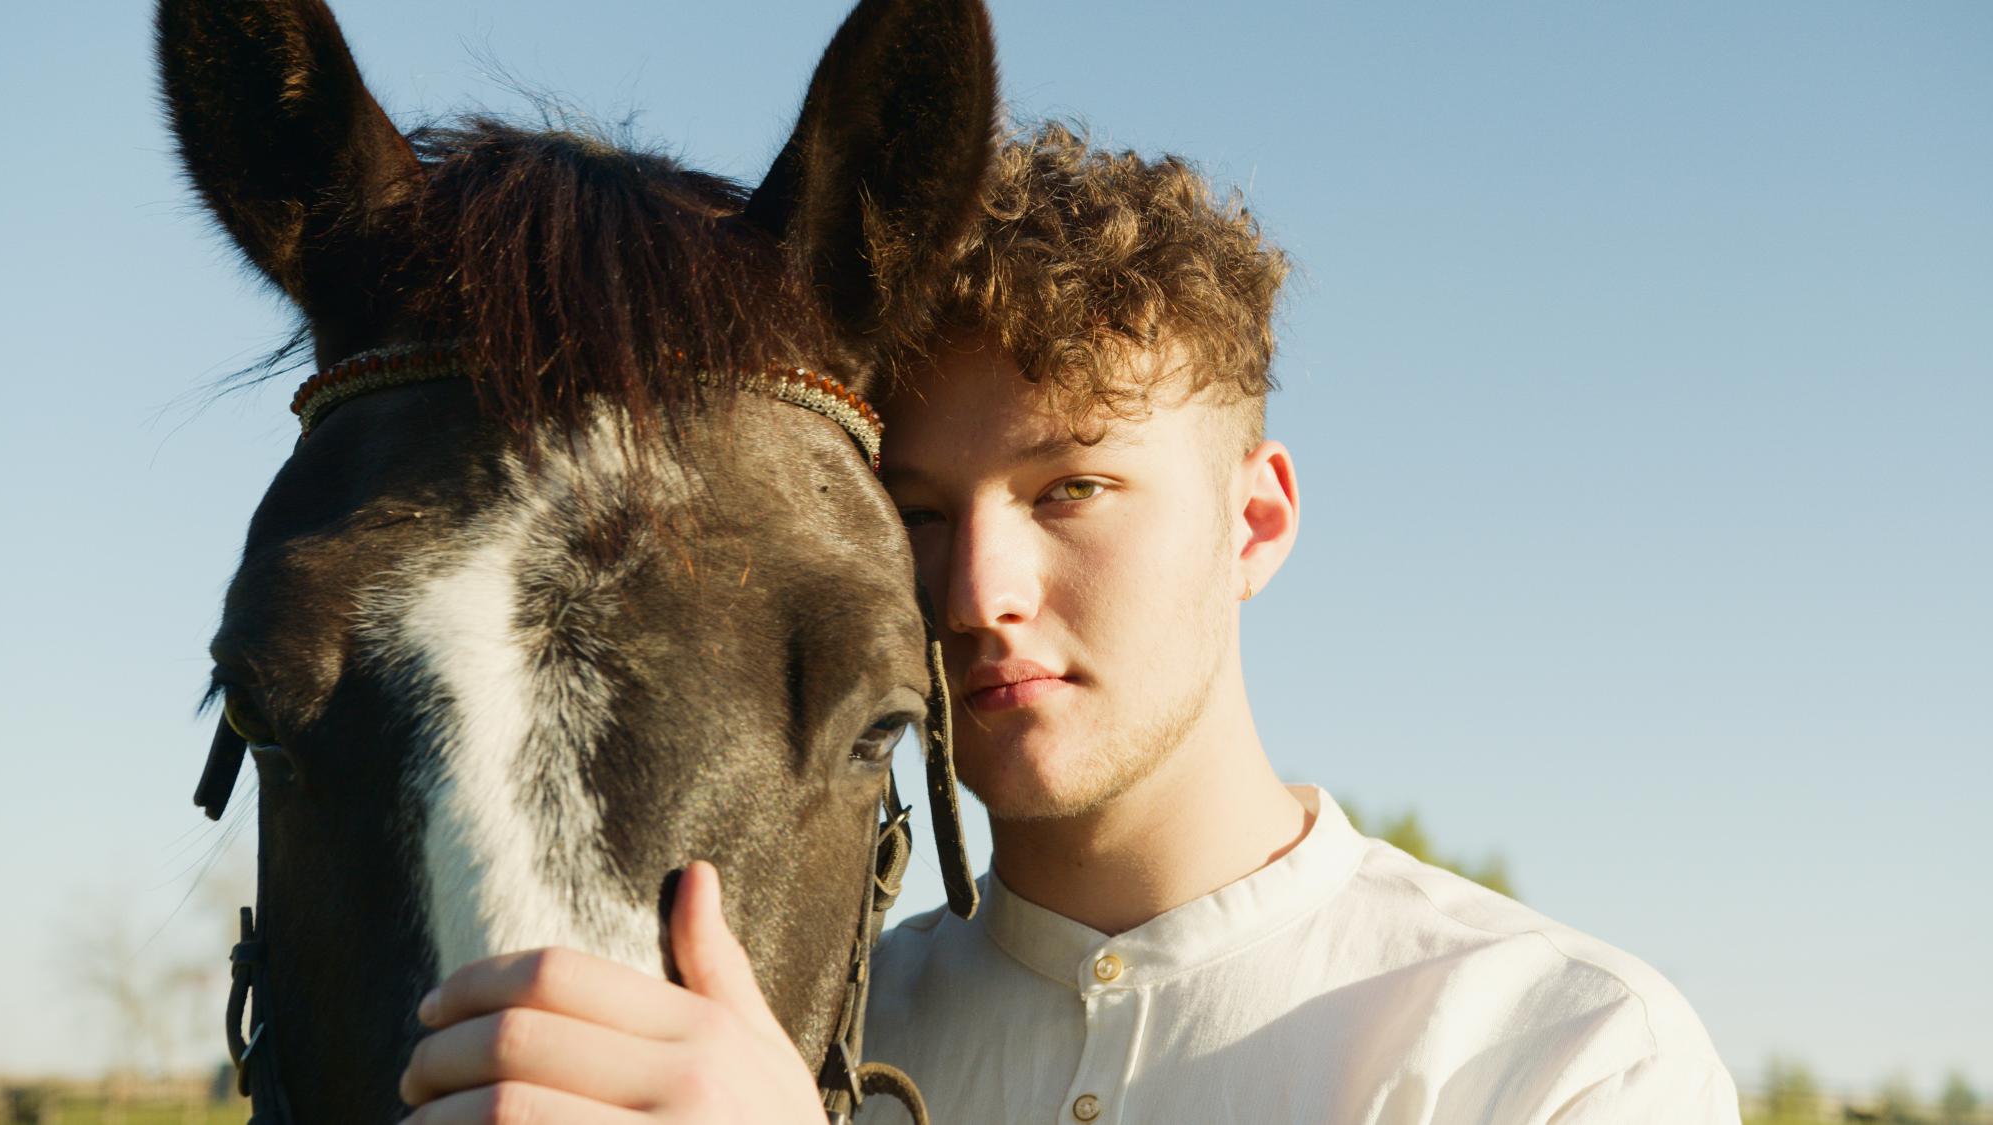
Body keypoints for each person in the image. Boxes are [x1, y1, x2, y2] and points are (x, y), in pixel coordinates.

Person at [398, 123, 1741, 1124]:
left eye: (1072, 489)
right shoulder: (775, 1043)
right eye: (916, 511)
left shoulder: (1557, 1053)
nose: (980, 592)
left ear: (1254, 523)